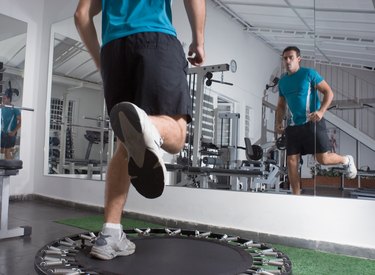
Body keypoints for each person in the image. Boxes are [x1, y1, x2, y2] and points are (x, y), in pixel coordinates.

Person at [74, 0, 205, 260]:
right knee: (177, 137)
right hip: (155, 37)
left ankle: (111, 233)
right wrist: (198, 40)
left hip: (113, 51)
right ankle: (149, 125)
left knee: (128, 142)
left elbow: (81, 15)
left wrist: (102, 62)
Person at [275, 46, 357, 195]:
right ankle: (296, 197)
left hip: (313, 121)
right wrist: (278, 122)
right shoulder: (283, 82)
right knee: (291, 161)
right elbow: (281, 105)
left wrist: (321, 111)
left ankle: (346, 160)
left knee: (323, 159)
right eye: (285, 58)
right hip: (294, 125)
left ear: (298, 59)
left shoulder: (309, 74)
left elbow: (328, 92)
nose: (287, 61)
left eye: (291, 57)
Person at [1, 89, 21, 160]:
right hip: (3, 133)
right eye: (2, 98)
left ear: (9, 99)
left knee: (7, 153)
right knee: (1, 151)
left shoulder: (14, 109)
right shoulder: (2, 108)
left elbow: (21, 121)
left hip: (11, 134)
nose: (3, 100)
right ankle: (14, 150)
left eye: (4, 99)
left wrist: (14, 131)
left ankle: (11, 169)